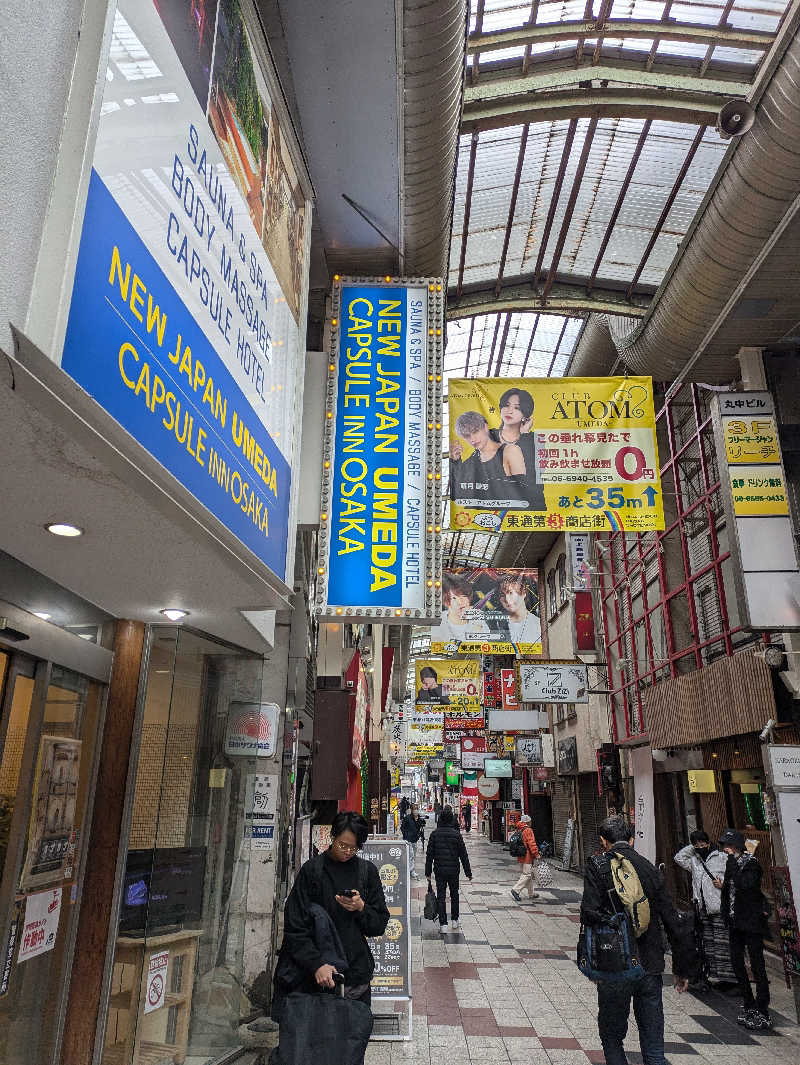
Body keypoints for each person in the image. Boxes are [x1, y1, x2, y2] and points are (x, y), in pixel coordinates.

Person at [581, 816, 696, 1065]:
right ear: (631, 839)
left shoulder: (598, 867)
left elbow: (588, 914)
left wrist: (591, 963)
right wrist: (681, 969)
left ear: (603, 841)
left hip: (615, 964)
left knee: (612, 1036)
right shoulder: (649, 868)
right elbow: (673, 921)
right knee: (653, 1043)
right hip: (650, 964)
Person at [276, 811, 389, 1019]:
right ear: (332, 837)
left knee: (351, 1043)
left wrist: (361, 908)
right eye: (342, 845)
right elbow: (295, 926)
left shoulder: (367, 872)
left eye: (353, 848)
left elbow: (379, 924)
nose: (347, 852)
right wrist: (316, 964)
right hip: (313, 978)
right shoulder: (312, 871)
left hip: (354, 975)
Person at [719, 828, 771, 1030]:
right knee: (737, 963)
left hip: (751, 922)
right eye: (724, 845)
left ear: (738, 846)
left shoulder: (752, 865)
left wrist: (732, 862)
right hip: (734, 922)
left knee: (758, 966)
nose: (726, 849)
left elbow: (742, 885)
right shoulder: (732, 863)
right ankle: (749, 1004)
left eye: (729, 845)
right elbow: (728, 891)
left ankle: (762, 1008)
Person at [674, 830, 735, 989]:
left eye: (702, 843)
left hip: (719, 906)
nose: (700, 846)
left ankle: (730, 980)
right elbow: (678, 858)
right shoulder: (694, 860)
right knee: (709, 944)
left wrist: (724, 885)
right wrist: (693, 848)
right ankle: (716, 976)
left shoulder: (721, 857)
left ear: (709, 842)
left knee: (723, 943)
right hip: (702, 907)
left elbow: (733, 876)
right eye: (696, 844)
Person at [450, 410, 527, 506]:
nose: (472, 439)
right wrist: (455, 462)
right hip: (479, 517)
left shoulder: (510, 451)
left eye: (475, 432)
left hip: (508, 515)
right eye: (467, 436)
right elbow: (456, 496)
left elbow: (523, 491)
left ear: (485, 427)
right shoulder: (470, 462)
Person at [489, 387, 546, 510]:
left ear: (526, 414)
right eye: (507, 405)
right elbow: (476, 469)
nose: (509, 411)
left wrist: (525, 434)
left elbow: (536, 476)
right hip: (496, 505)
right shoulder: (488, 436)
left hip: (529, 507)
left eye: (517, 408)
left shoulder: (535, 439)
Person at [425, 805, 472, 933]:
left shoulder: (434, 834)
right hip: (453, 870)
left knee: (441, 896)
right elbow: (463, 854)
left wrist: (427, 872)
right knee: (454, 894)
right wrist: (468, 872)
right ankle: (455, 920)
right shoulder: (456, 835)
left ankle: (443, 924)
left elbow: (430, 855)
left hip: (439, 870)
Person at [430, 573, 490, 644]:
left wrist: (477, 623)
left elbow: (483, 647)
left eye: (463, 596)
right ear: (446, 602)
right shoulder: (438, 621)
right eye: (454, 598)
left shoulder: (477, 618)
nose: (460, 602)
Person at [498, 572, 542, 647]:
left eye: (510, 593)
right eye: (502, 595)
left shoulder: (537, 625)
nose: (507, 599)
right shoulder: (497, 625)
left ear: (523, 592)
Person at [511, 813, 539, 902]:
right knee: (527, 874)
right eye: (530, 821)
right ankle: (516, 890)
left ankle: (531, 893)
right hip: (527, 855)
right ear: (528, 821)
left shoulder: (519, 829)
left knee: (528, 874)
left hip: (520, 855)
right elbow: (531, 843)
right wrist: (536, 854)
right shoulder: (528, 830)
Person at [400, 803, 425, 878]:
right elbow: (402, 827)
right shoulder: (407, 818)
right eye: (414, 809)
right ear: (411, 810)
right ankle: (411, 871)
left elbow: (420, 827)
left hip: (415, 839)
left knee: (413, 855)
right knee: (411, 855)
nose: (415, 811)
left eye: (416, 809)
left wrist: (419, 821)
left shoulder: (418, 819)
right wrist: (405, 835)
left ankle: (410, 870)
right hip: (408, 839)